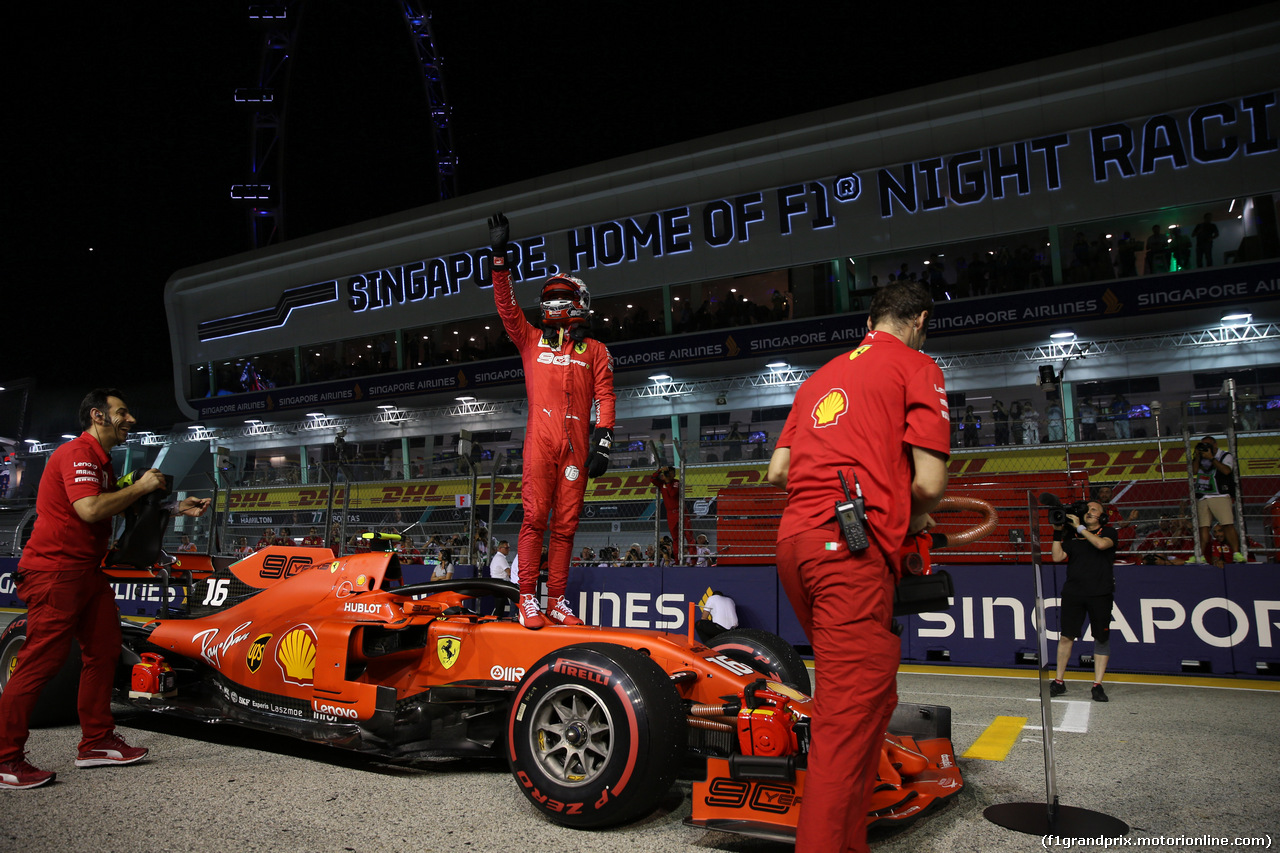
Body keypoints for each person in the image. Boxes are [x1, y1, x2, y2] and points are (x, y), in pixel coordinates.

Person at [765, 281, 949, 853]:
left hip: (795, 544)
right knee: (844, 724)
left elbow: (776, 474)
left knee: (869, 699)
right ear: (919, 320)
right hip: (848, 553)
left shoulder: (819, 377)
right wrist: (913, 515)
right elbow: (929, 483)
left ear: (871, 319)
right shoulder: (917, 366)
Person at [0, 388, 211, 790]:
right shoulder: (78, 454)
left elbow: (113, 503)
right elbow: (91, 509)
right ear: (98, 416)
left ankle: (96, 742)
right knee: (41, 663)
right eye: (122, 413)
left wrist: (172, 508)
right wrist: (144, 486)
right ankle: (5, 758)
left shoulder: (100, 461)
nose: (130, 420)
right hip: (56, 573)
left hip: (85, 573)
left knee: (104, 649)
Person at [487, 213, 616, 629]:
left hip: (577, 445)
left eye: (564, 296)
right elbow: (506, 308)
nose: (557, 302)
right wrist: (499, 257)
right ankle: (528, 598)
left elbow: (605, 396)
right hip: (540, 443)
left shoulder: (595, 349)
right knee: (534, 518)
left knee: (565, 526)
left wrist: (604, 441)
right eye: (552, 297)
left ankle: (556, 600)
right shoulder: (531, 339)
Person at [1049, 500, 1118, 702]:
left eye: (1094, 509)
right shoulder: (1073, 535)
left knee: (1101, 638)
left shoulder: (1109, 532)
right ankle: (1059, 681)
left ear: (1103, 517)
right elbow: (1057, 556)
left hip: (1100, 593)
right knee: (1066, 637)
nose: (1089, 511)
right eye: (1087, 509)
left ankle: (1097, 685)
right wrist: (1057, 532)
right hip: (1074, 592)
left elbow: (1100, 544)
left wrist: (1079, 527)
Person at [1194, 435, 1242, 562]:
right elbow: (1194, 470)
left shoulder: (1225, 455)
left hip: (1220, 494)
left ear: (1215, 445)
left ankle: (1236, 553)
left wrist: (1212, 458)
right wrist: (1198, 456)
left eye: (1208, 445)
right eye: (1203, 445)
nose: (1205, 447)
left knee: (1227, 524)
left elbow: (1226, 470)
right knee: (1203, 527)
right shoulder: (1201, 457)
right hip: (1203, 495)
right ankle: (1200, 555)